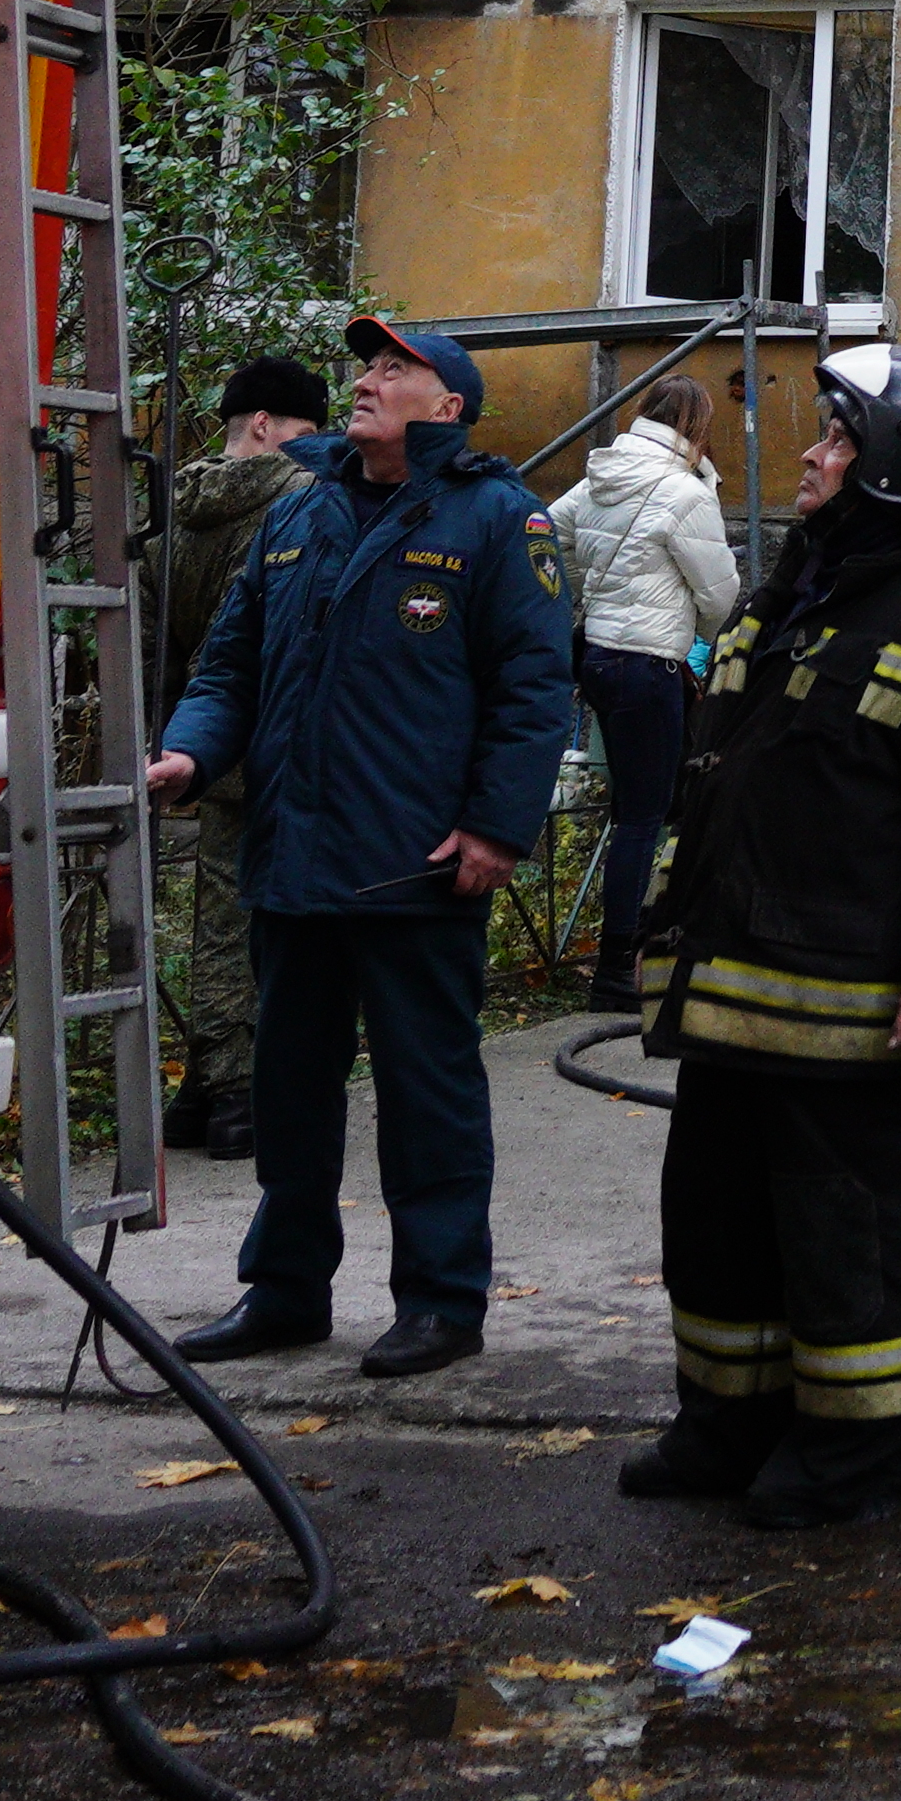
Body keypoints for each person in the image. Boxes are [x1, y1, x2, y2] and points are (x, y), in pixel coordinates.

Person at [619, 341, 901, 1533]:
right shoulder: (786, 596)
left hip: (848, 1013)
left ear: (893, 466)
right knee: (716, 1225)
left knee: (847, 1235)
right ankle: (728, 1427)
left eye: (839, 438)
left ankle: (856, 1458)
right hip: (729, 997)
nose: (810, 454)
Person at [145, 311, 573, 1380]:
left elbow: (533, 692)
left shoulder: (495, 519)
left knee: (427, 1094)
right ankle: (285, 1291)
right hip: (293, 862)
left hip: (415, 865)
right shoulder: (301, 514)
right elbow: (227, 666)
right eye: (368, 365)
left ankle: (441, 1298)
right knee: (289, 1091)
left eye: (396, 367)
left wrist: (495, 827)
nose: (370, 380)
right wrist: (190, 755)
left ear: (449, 406)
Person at [154, 354, 329, 1160]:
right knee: (266, 923)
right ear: (263, 426)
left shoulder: (178, 510)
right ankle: (237, 1093)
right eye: (305, 429)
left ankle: (200, 1092)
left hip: (201, 738)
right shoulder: (294, 501)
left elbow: (162, 646)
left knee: (219, 911)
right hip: (281, 735)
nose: (319, 446)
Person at [549, 406, 740, 1016]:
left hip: (601, 657)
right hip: (648, 663)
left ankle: (658, 941)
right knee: (643, 817)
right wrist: (692, 632)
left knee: (667, 802)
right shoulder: (684, 491)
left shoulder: (603, 474)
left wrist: (588, 594)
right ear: (697, 426)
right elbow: (720, 592)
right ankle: (615, 970)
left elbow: (549, 531)